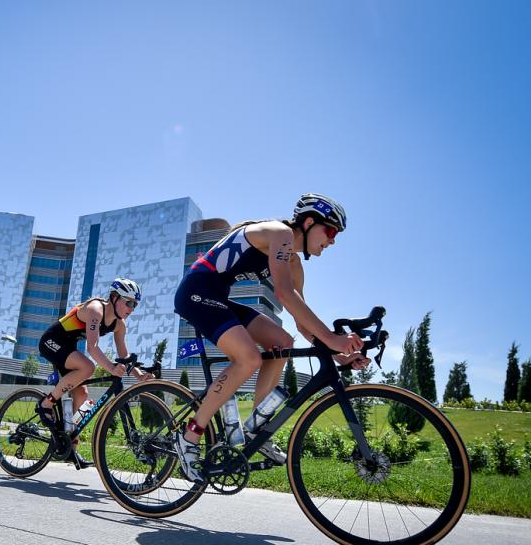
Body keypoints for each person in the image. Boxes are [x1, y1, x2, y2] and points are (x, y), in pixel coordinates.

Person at [172, 194, 370, 482]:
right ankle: (189, 436)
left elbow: (301, 323)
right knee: (248, 357)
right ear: (309, 222)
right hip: (195, 292)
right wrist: (332, 337)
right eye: (330, 231)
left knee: (283, 343)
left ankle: (255, 428)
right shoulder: (281, 233)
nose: (332, 241)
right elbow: (283, 295)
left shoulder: (294, 263)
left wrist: (336, 353)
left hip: (218, 297)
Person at [36, 278, 153, 469]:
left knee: (82, 394)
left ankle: (68, 443)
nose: (132, 308)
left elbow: (124, 355)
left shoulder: (119, 325)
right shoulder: (95, 309)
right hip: (52, 341)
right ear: (114, 298)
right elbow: (92, 347)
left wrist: (140, 375)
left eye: (135, 305)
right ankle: (46, 403)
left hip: (69, 348)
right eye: (129, 302)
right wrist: (111, 368)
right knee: (88, 367)